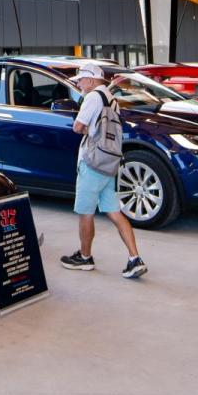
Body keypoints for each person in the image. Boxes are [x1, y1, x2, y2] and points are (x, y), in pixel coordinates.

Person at [58, 64, 147, 279]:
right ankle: (134, 259)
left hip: (92, 163)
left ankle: (85, 258)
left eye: (81, 80)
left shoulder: (92, 98)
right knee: (114, 212)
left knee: (85, 212)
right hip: (109, 162)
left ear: (90, 80)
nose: (79, 84)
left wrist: (87, 129)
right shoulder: (111, 98)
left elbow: (77, 127)